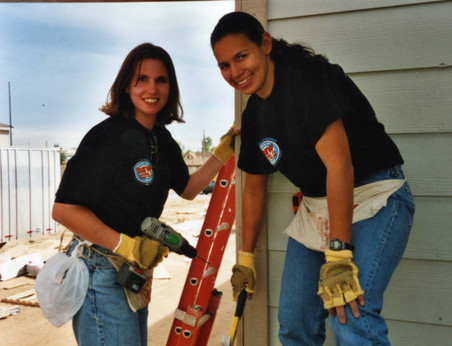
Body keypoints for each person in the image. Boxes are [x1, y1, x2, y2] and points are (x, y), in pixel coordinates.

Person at [210, 12, 415, 345]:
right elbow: (252, 192)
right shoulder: (256, 116)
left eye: (241, 57)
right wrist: (245, 259)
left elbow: (340, 167)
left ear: (265, 44)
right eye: (224, 65)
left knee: (350, 316)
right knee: (294, 323)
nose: (235, 72)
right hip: (317, 207)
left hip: (374, 193)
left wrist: (338, 254)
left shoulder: (308, 79)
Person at [51, 43, 234, 346]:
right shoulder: (107, 137)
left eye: (161, 80)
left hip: (132, 271)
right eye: (142, 80)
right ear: (126, 86)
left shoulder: (161, 138)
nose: (152, 88)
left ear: (170, 87)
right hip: (101, 268)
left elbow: (187, 190)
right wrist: (128, 247)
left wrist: (221, 153)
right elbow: (64, 211)